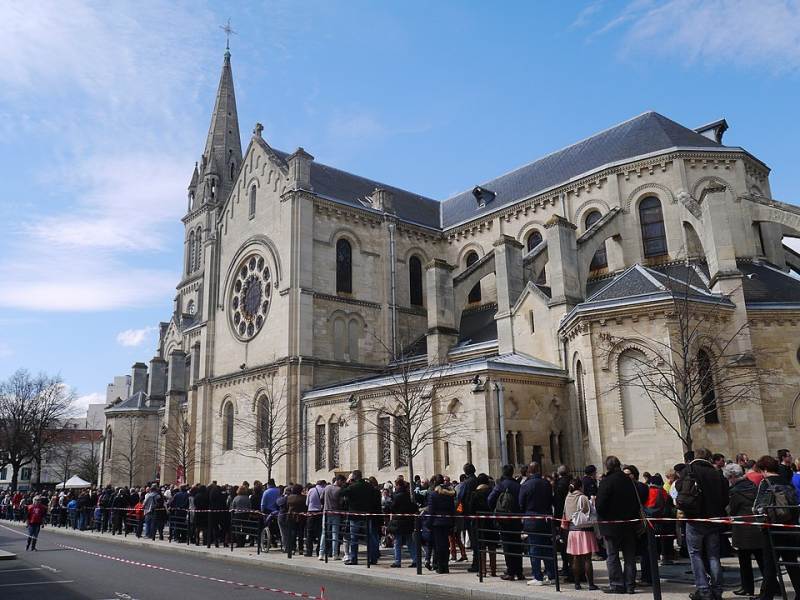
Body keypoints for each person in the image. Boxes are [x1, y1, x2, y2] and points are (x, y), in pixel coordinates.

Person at [677, 448, 729, 600]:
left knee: (695, 554)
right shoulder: (717, 473)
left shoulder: (690, 470)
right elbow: (725, 498)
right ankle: (717, 589)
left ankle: (703, 589)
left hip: (695, 518)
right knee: (714, 555)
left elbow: (680, 489)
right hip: (714, 519)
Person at [753, 454, 800, 600]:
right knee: (792, 564)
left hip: (771, 530)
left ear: (764, 469)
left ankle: (766, 597)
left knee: (770, 567)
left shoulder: (766, 483)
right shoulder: (787, 482)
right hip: (789, 527)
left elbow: (758, 507)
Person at [596, 455, 640, 594]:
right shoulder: (629, 481)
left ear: (607, 467)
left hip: (611, 525)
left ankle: (616, 584)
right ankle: (630, 584)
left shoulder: (607, 482)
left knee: (612, 555)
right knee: (629, 557)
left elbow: (600, 505)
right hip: (628, 524)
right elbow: (635, 502)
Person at [725, 462, 765, 598]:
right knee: (762, 560)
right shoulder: (752, 486)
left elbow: (732, 510)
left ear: (732, 477)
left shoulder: (735, 492)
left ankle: (747, 588)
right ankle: (772, 585)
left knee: (744, 562)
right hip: (756, 527)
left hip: (742, 529)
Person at [519, 461, 555, 586]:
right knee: (547, 549)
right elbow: (551, 500)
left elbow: (521, 503)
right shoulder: (546, 483)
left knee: (534, 549)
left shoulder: (526, 485)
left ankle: (538, 576)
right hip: (545, 519)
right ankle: (551, 575)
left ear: (529, 471)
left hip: (532, 520)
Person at [488, 464, 524, 581]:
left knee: (508, 546)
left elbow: (490, 499)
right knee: (517, 546)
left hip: (504, 520)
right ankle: (519, 571)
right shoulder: (517, 485)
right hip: (516, 519)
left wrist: (496, 510)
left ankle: (510, 571)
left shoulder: (501, 485)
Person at [562, 478, 599, 591]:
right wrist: (592, 502)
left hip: (572, 531)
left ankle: (577, 583)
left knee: (576, 558)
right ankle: (591, 584)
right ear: (580, 487)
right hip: (584, 531)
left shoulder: (568, 497)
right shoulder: (582, 497)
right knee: (587, 558)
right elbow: (588, 512)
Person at [340, 470, 379, 565]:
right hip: (366, 514)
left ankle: (354, 558)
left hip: (355, 515)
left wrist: (346, 482)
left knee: (354, 538)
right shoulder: (369, 486)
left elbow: (342, 492)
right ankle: (373, 558)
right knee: (369, 537)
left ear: (354, 477)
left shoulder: (352, 487)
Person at [471, 473, 499, 577]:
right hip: (491, 523)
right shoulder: (492, 491)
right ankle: (493, 570)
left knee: (481, 548)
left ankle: (483, 571)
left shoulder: (475, 494)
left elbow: (471, 509)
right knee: (492, 547)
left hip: (479, 523)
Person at [427, 474, 455, 574]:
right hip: (447, 522)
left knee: (439, 546)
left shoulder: (433, 494)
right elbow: (452, 509)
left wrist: (428, 524)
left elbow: (431, 511)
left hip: (437, 523)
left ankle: (440, 567)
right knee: (446, 545)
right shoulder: (449, 494)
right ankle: (445, 566)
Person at [456, 462, 480, 573]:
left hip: (470, 513)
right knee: (478, 540)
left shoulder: (466, 483)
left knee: (474, 539)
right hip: (479, 513)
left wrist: (459, 511)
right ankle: (480, 562)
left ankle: (477, 564)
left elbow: (460, 498)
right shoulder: (478, 480)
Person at [388, 479, 417, 568]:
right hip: (408, 522)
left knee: (397, 543)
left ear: (398, 486)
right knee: (410, 542)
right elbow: (414, 507)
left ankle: (397, 561)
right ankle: (415, 560)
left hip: (399, 522)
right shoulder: (409, 495)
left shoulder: (397, 496)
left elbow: (392, 508)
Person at [304, 480, 326, 557]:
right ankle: (318, 550)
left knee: (309, 533)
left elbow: (307, 503)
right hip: (320, 513)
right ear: (323, 484)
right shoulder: (324, 490)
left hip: (311, 513)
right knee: (320, 532)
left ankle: (309, 551)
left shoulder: (311, 490)